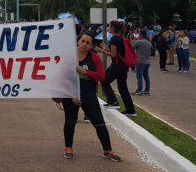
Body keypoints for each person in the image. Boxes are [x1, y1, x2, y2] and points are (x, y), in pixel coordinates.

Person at [61, 32, 122, 162]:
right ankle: (68, 148)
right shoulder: (68, 57)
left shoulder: (94, 58)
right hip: (70, 94)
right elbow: (62, 77)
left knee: (99, 123)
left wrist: (85, 72)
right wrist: (72, 95)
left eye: (88, 43)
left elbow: (101, 76)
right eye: (82, 41)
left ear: (92, 45)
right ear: (78, 41)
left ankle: (108, 150)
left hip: (88, 93)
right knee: (70, 121)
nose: (84, 44)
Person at [97, 20, 137, 117]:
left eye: (109, 26)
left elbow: (113, 54)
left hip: (117, 66)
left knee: (104, 80)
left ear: (113, 28)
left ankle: (113, 102)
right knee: (123, 88)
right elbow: (117, 52)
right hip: (123, 67)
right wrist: (106, 48)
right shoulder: (121, 38)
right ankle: (130, 110)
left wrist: (101, 50)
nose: (108, 28)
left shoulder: (114, 38)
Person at [132, 30, 152, 95]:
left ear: (141, 35)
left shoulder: (139, 42)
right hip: (147, 61)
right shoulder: (148, 42)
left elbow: (131, 46)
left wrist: (134, 40)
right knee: (146, 76)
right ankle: (147, 90)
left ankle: (139, 90)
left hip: (140, 61)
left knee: (139, 76)